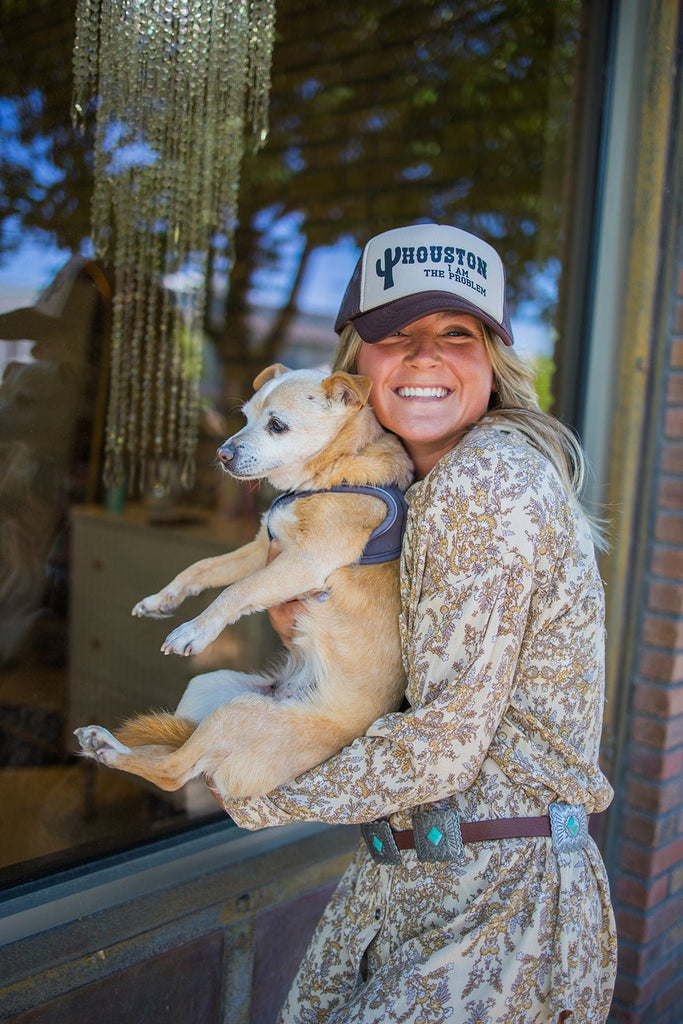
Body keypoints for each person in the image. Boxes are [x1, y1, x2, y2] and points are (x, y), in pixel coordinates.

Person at [213, 224, 617, 1024]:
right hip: (425, 878)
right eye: (395, 335)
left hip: (492, 909)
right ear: (354, 372)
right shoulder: (405, 493)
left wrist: (252, 790)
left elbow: (442, 743)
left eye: (456, 335)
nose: (425, 355)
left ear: (490, 363)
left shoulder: (482, 483)